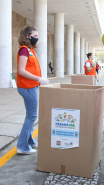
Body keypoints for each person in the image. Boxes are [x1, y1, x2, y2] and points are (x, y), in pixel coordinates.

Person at [17, 26, 49, 155]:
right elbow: (21, 70)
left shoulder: (30, 49)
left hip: (31, 86)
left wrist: (38, 81)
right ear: (27, 36)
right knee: (32, 116)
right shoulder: (24, 50)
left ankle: (29, 140)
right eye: (35, 35)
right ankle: (22, 146)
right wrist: (39, 79)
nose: (37, 37)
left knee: (30, 115)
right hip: (27, 87)